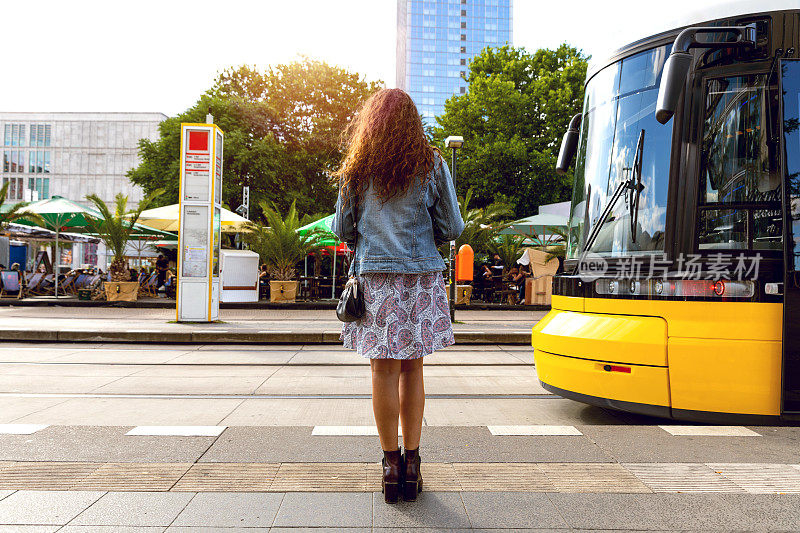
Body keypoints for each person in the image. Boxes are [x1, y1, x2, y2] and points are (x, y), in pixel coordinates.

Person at [332, 88, 464, 504]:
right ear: (413, 122)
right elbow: (452, 226)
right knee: (412, 371)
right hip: (420, 278)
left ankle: (390, 467)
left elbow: (342, 229)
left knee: (382, 372)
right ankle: (412, 463)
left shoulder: (358, 169)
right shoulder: (433, 165)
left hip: (375, 278)